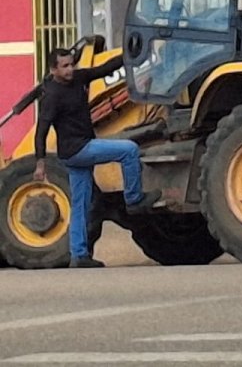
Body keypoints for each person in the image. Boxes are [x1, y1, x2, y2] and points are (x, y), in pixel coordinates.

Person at [34, 46, 161, 268]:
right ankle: (134, 199)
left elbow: (104, 69)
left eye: (71, 64)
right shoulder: (52, 96)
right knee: (129, 150)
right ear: (53, 70)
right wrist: (40, 163)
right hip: (78, 150)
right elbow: (41, 130)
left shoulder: (79, 78)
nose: (70, 69)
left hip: (78, 151)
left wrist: (128, 55)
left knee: (80, 205)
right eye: (64, 66)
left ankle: (79, 256)